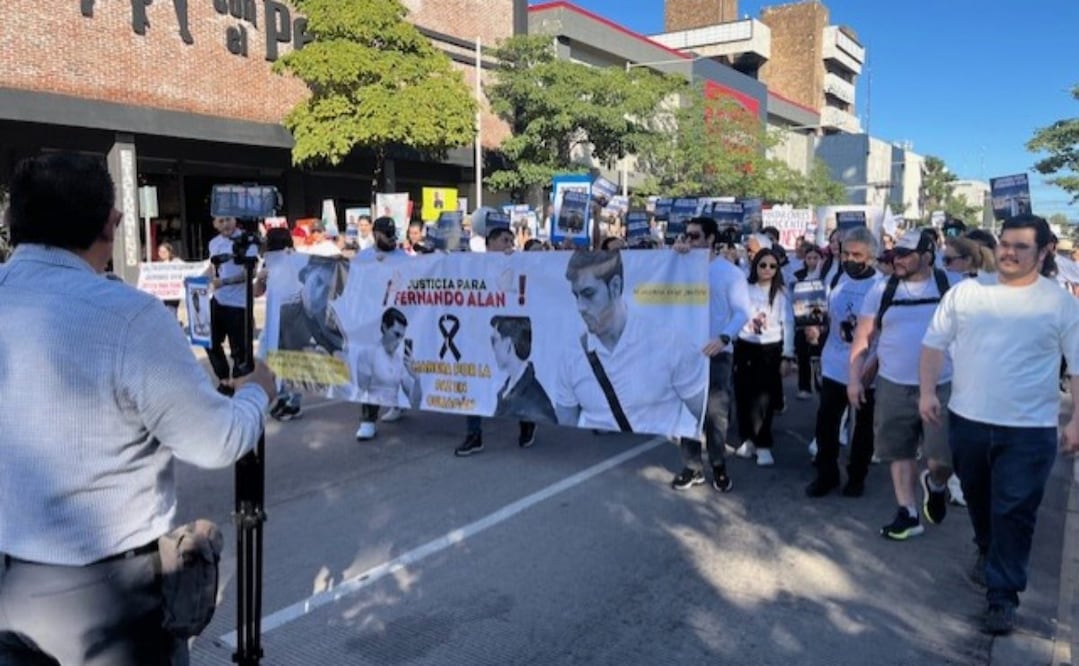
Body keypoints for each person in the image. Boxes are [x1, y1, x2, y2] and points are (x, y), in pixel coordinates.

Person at [0, 152, 276, 664]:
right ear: (114, 223)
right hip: (112, 600)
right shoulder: (129, 317)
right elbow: (216, 441)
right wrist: (258, 391)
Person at [920, 213, 1079, 635]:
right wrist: (927, 391)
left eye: (1021, 245)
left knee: (1016, 510)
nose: (1008, 251)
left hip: (1030, 431)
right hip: (969, 421)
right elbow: (933, 344)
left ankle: (1002, 596)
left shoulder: (1060, 302)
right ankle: (988, 549)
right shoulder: (967, 293)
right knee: (980, 501)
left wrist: (1077, 418)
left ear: (1045, 251)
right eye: (1005, 242)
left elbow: (1078, 367)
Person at [849, 229, 960, 540]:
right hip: (892, 385)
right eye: (895, 253)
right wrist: (854, 379)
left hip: (942, 386)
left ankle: (935, 484)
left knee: (942, 460)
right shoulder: (882, 289)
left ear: (927, 255)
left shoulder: (952, 285)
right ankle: (908, 513)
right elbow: (863, 337)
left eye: (905, 254)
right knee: (899, 451)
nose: (897, 259)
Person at [670, 217, 752, 493]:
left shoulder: (729, 274)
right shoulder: (678, 266)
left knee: (716, 413)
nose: (689, 241)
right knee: (688, 410)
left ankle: (718, 466)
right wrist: (670, 255)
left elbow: (742, 312)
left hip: (716, 353)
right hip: (685, 353)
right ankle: (692, 467)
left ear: (710, 240)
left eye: (695, 236)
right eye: (687, 236)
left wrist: (724, 337)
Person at [805, 226, 884, 498]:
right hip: (834, 363)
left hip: (866, 367)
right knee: (826, 422)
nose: (850, 259)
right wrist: (815, 329)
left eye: (857, 254)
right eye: (846, 253)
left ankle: (857, 476)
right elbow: (824, 314)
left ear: (871, 256)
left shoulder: (882, 287)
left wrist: (871, 369)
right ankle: (826, 474)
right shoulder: (837, 278)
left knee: (862, 427)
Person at [456, 226, 540, 455]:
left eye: (512, 241)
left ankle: (527, 422)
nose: (509, 245)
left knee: (515, 382)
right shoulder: (473, 267)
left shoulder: (520, 266)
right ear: (489, 243)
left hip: (509, 338)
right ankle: (474, 435)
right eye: (505, 240)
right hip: (479, 338)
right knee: (475, 386)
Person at [731, 248, 795, 467]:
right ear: (755, 266)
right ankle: (747, 438)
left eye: (772, 266)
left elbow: (788, 323)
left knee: (764, 399)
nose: (767, 270)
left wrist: (788, 354)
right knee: (743, 395)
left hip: (770, 348)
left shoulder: (782, 293)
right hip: (745, 345)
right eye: (763, 265)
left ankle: (764, 443)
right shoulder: (744, 289)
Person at [354, 217, 411, 440]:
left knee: (399, 368)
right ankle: (368, 420)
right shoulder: (364, 256)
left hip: (398, 319)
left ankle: (397, 405)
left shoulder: (402, 257)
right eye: (386, 234)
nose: (390, 239)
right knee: (373, 372)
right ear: (376, 234)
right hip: (372, 321)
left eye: (392, 234)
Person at [205, 215, 251, 390]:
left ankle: (239, 383)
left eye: (228, 220)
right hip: (218, 300)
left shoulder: (246, 241)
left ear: (235, 220)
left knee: (239, 348)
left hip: (239, 304)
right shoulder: (214, 243)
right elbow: (213, 267)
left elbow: (249, 273)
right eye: (221, 221)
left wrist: (223, 282)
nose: (225, 224)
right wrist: (198, 279)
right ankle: (224, 379)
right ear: (215, 224)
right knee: (210, 341)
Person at [792, 244, 824, 399]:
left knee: (818, 355)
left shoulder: (824, 275)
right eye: (809, 258)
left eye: (815, 258)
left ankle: (820, 383)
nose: (812, 261)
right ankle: (804, 387)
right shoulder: (798, 275)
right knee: (803, 354)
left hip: (819, 320)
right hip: (801, 319)